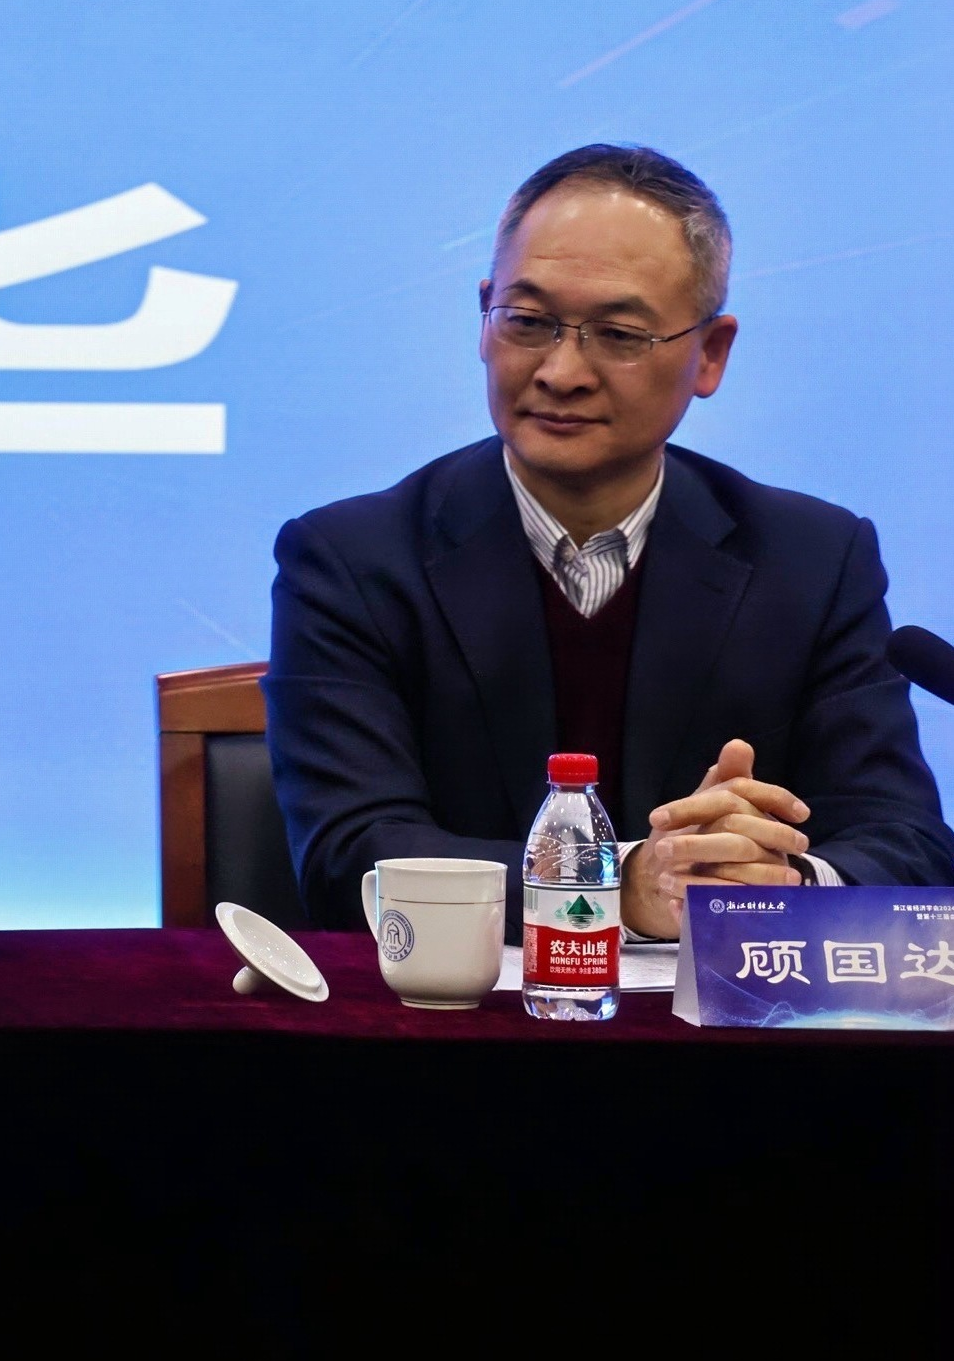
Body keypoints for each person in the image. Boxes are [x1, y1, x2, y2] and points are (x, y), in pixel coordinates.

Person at [265, 144, 953, 937]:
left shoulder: (811, 560)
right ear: (484, 319)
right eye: (528, 322)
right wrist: (618, 888)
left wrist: (777, 883)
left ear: (710, 354)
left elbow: (906, 842)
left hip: (730, 1013)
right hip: (456, 1010)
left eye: (618, 334)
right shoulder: (351, 561)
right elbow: (350, 859)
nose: (561, 371)